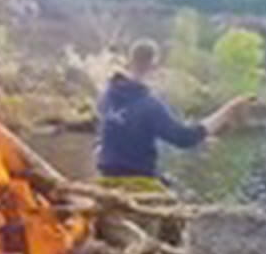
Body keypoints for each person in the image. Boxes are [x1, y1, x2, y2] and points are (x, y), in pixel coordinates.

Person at [95, 38, 253, 187]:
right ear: (154, 64)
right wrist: (228, 110)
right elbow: (184, 138)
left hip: (106, 174)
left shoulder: (108, 94)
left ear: (130, 59)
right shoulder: (149, 104)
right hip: (137, 178)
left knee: (166, 179)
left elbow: (123, 130)